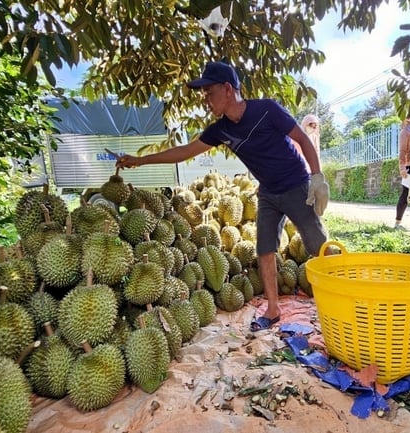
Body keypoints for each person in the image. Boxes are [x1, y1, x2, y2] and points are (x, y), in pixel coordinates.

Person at [115, 61, 330, 331]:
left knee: (318, 247)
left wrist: (317, 177)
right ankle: (273, 310)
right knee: (264, 250)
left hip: (296, 184)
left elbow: (302, 138)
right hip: (267, 192)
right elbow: (184, 151)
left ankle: (341, 302)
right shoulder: (221, 130)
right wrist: (141, 160)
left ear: (228, 89)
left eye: (209, 92)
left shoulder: (266, 110)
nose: (205, 100)